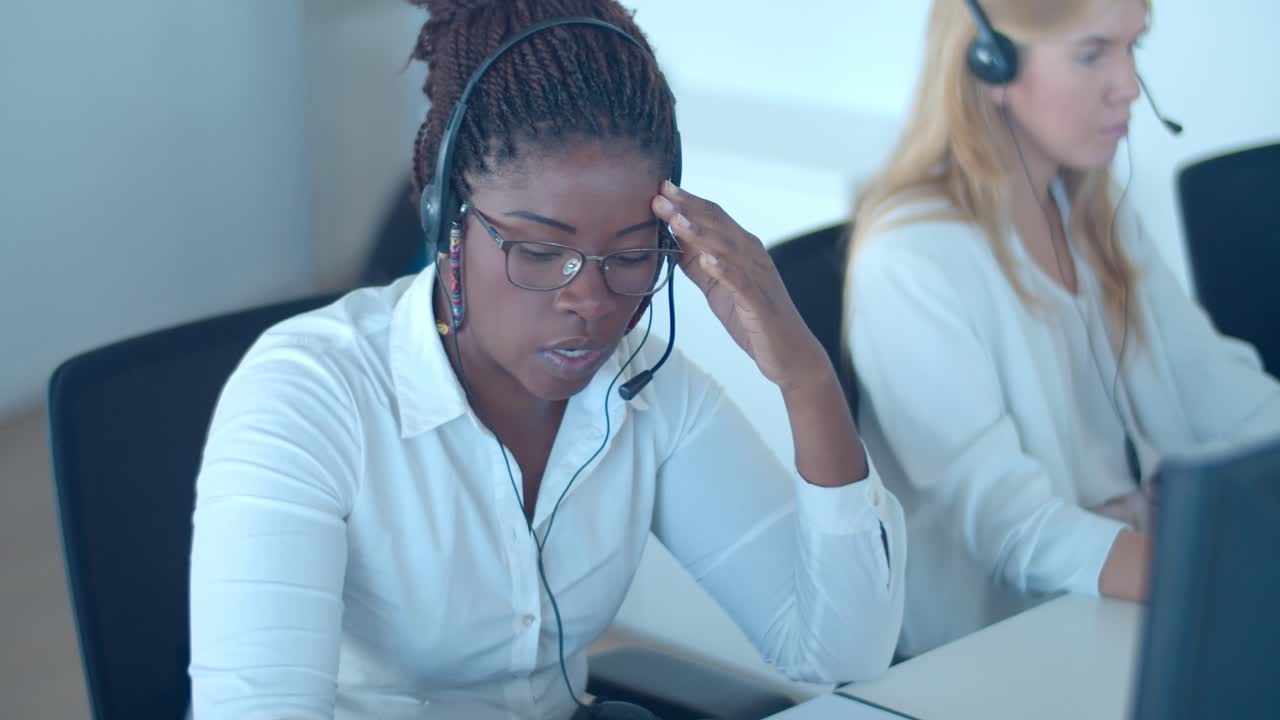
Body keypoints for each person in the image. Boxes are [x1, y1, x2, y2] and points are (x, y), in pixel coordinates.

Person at [188, 1, 905, 717]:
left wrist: (805, 377)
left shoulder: (646, 394)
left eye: (630, 256)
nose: (591, 301)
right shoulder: (308, 398)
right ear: (445, 221)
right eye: (539, 251)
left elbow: (839, 651)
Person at [844, 0, 1280, 658]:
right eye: (1092, 52)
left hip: (1128, 592)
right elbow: (1012, 527)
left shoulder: (1092, 210)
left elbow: (1214, 385)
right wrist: (1216, 574)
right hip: (1017, 640)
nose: (1129, 85)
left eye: (1133, 48)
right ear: (989, 64)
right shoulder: (911, 260)